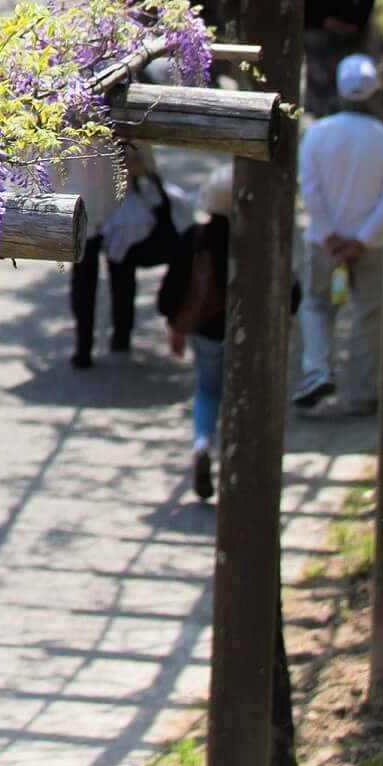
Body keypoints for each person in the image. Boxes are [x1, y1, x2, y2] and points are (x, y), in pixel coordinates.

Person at [295, 51, 383, 414]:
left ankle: (317, 370)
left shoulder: (318, 134)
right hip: (371, 243)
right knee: (367, 312)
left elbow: (310, 188)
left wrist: (327, 233)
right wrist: (362, 238)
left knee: (317, 304)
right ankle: (363, 392)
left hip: (324, 243)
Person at [69, 136, 187, 367]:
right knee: (118, 270)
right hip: (112, 206)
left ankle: (87, 346)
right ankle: (117, 337)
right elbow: (144, 161)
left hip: (92, 203)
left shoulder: (66, 119)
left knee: (88, 274)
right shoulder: (116, 116)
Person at [161, 163, 238, 503]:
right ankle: (237, 458)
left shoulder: (195, 238)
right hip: (248, 329)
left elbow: (175, 287)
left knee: (207, 390)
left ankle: (203, 442)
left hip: (205, 330)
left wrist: (176, 326)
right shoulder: (257, 240)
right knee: (242, 394)